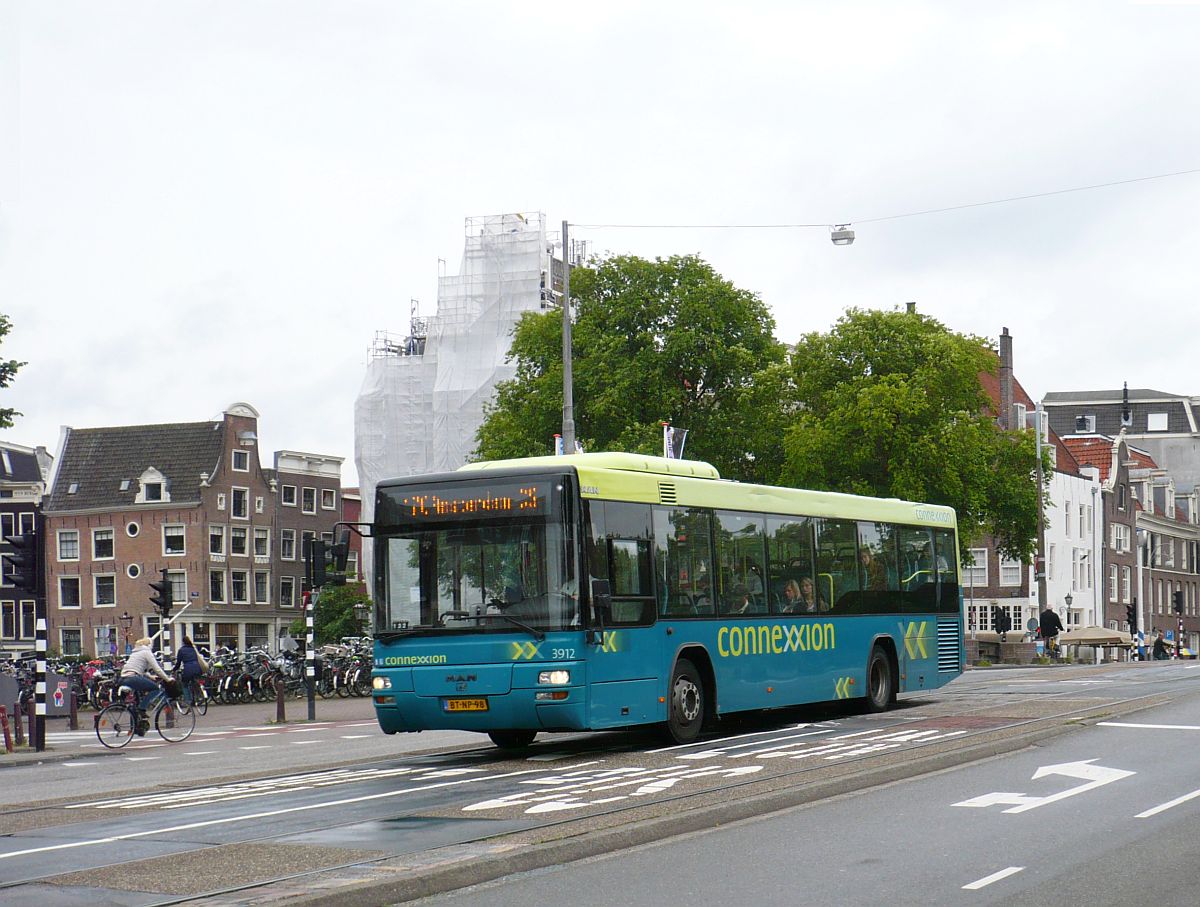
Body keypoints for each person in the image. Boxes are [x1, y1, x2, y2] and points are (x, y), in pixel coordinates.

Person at [120, 637, 170, 730]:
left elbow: (139, 668)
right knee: (155, 689)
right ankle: (142, 709)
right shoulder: (147, 652)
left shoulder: (135, 652)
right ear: (149, 645)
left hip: (124, 677)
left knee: (136, 701)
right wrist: (167, 679)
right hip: (133, 677)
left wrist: (150, 677)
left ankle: (136, 727)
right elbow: (157, 669)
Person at [175, 635, 209, 703]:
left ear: (183, 642)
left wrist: (174, 669)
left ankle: (188, 701)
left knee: (184, 684)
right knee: (194, 681)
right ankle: (197, 695)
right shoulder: (194, 649)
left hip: (188, 670)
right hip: (197, 669)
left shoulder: (181, 650)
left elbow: (178, 663)